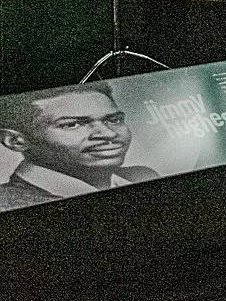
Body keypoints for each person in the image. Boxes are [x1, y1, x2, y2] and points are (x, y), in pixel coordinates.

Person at [0, 83, 158, 209]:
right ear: (15, 141)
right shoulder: (6, 204)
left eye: (114, 120)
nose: (109, 134)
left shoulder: (141, 175)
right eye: (72, 124)